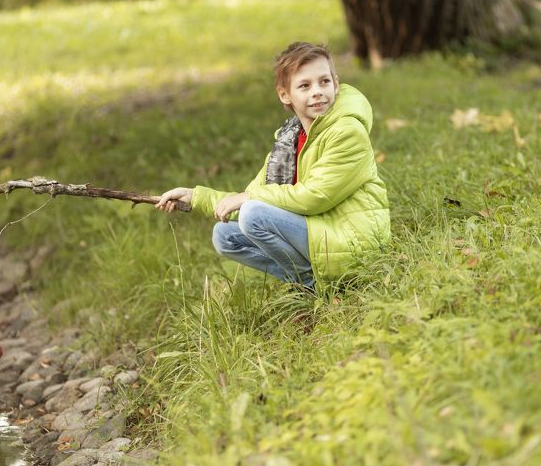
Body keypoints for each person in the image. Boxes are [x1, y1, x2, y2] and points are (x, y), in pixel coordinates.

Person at [156, 42, 390, 293]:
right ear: (285, 95)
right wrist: (195, 197)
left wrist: (249, 198)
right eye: (305, 85)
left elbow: (315, 197)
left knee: (253, 213)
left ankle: (312, 286)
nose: (317, 92)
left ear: (336, 83)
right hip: (321, 231)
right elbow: (252, 195)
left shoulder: (347, 132)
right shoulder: (290, 140)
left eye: (324, 81)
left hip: (353, 241)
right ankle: (311, 282)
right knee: (224, 235)